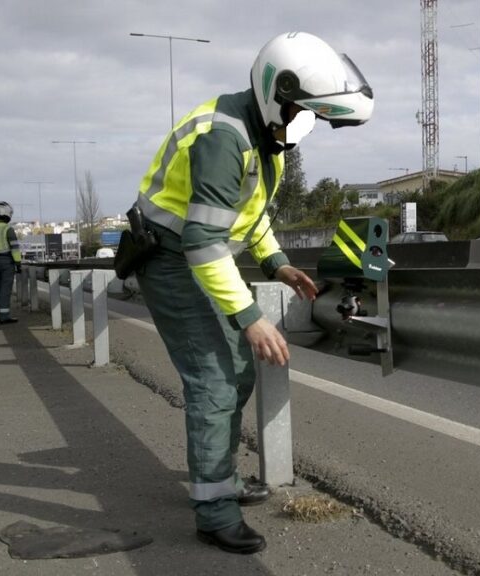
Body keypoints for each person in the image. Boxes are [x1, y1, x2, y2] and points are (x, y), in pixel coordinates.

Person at [131, 31, 374, 554]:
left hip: (195, 254)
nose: (306, 125)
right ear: (277, 95)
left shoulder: (270, 138)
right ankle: (213, 509)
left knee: (238, 370)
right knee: (215, 381)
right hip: (171, 259)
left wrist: (278, 263)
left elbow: (251, 213)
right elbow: (201, 241)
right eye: (303, 113)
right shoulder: (227, 138)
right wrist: (250, 316)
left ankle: (217, 478)